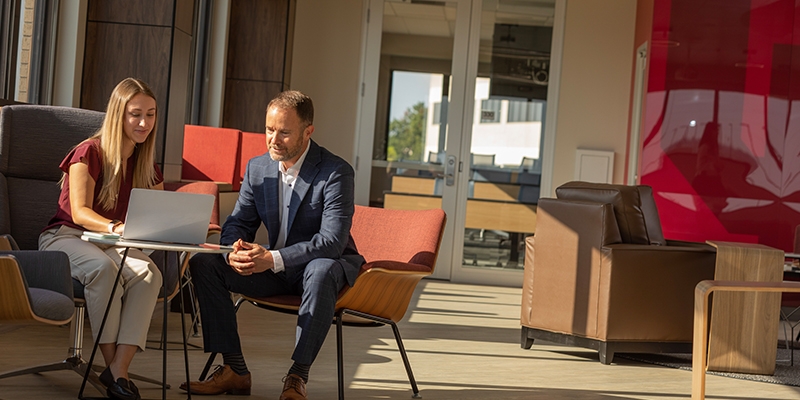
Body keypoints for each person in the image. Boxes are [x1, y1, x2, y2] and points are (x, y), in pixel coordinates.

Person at [181, 90, 364, 400]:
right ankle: (234, 370)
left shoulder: (335, 172)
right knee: (205, 262)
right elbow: (239, 221)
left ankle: (297, 376)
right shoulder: (258, 168)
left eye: (284, 132)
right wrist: (235, 250)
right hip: (274, 271)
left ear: (308, 131)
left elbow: (331, 242)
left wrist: (274, 258)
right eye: (269, 129)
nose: (274, 139)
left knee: (320, 270)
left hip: (320, 269)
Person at [38, 77, 164, 400]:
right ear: (118, 114)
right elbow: (79, 213)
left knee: (149, 274)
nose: (143, 122)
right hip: (65, 237)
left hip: (109, 243)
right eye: (136, 114)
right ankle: (117, 374)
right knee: (103, 269)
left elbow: (158, 214)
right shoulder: (88, 152)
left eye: (150, 115)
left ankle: (117, 369)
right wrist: (115, 228)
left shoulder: (147, 164)